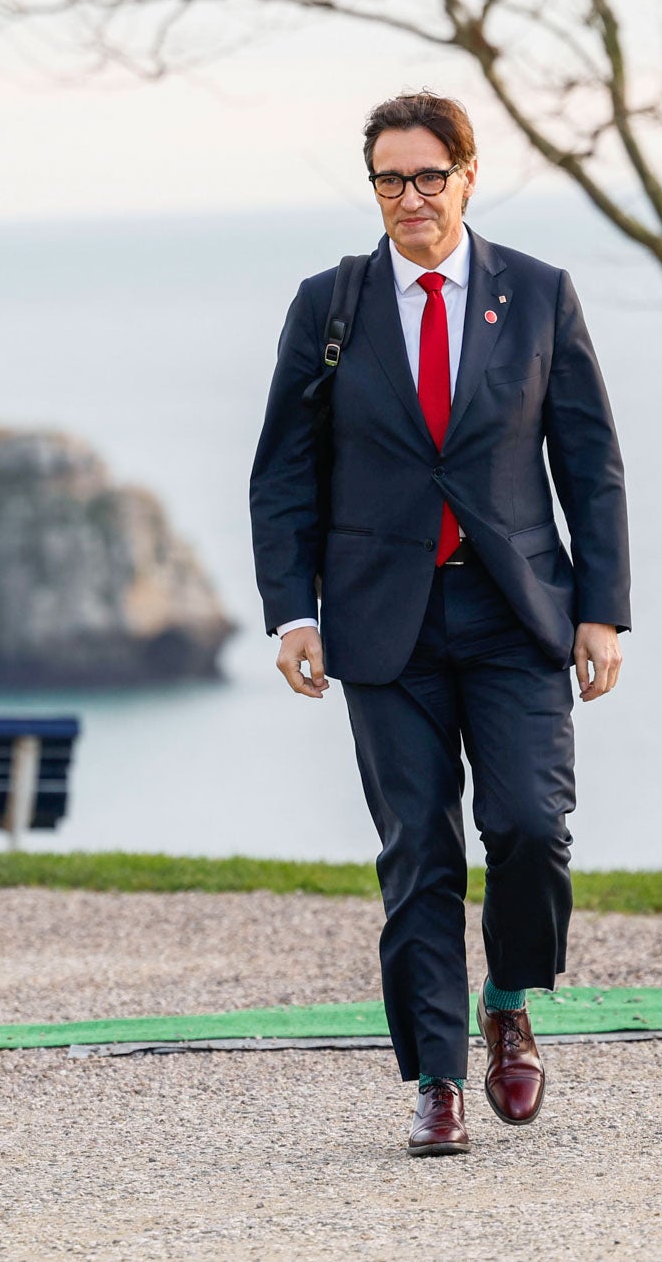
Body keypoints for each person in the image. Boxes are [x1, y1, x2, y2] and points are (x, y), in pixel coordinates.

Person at [250, 91, 630, 1156]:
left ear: (467, 175)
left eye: (426, 176)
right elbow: (281, 471)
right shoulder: (330, 305)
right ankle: (435, 1078)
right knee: (417, 852)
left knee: (525, 831)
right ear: (370, 186)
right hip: (382, 623)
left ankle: (507, 996)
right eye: (387, 180)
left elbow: (589, 464)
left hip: (514, 614)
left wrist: (601, 611)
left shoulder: (539, 295)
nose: (407, 198)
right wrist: (292, 611)